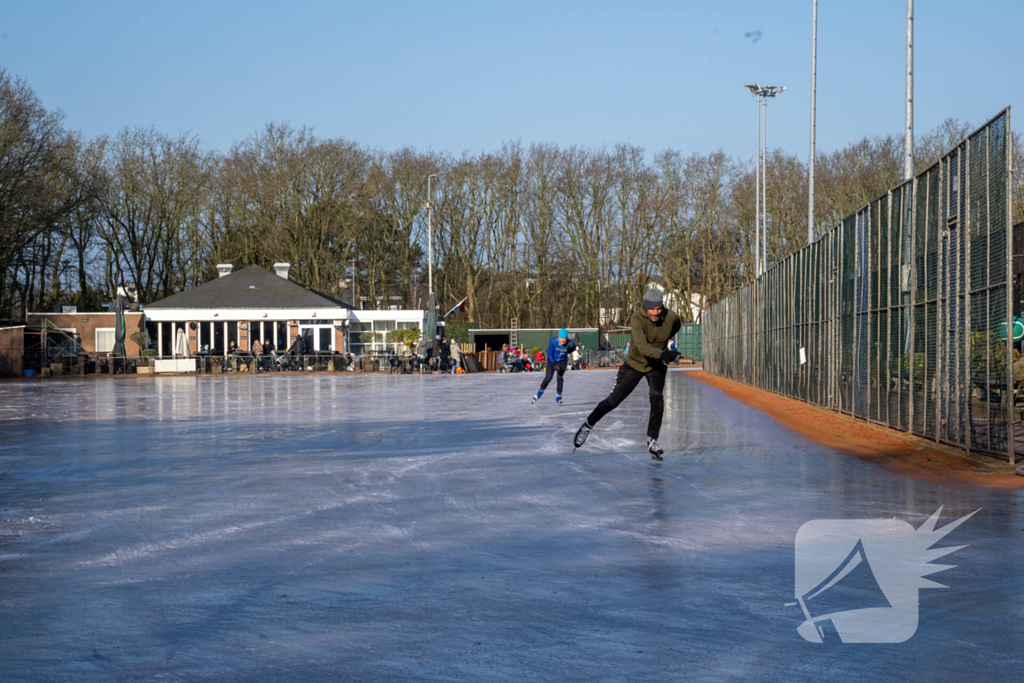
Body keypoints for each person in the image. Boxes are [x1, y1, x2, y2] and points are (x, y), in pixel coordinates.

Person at [573, 288, 680, 460]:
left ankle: (652, 440)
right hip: (635, 364)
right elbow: (643, 348)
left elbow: (675, 327)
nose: (655, 312)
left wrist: (665, 348)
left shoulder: (672, 318)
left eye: (658, 309)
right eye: (651, 309)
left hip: (656, 366)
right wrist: (663, 354)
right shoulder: (637, 319)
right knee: (613, 400)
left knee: (657, 396)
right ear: (645, 307)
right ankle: (588, 424)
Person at [533, 328, 576, 406]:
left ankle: (559, 396)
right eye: (561, 338)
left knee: (559, 377)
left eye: (564, 338)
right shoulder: (553, 341)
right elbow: (549, 353)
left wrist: (566, 352)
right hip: (552, 360)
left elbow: (572, 349)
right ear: (558, 337)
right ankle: (541, 390)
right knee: (548, 378)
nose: (563, 340)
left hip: (562, 361)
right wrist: (553, 363)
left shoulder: (570, 344)